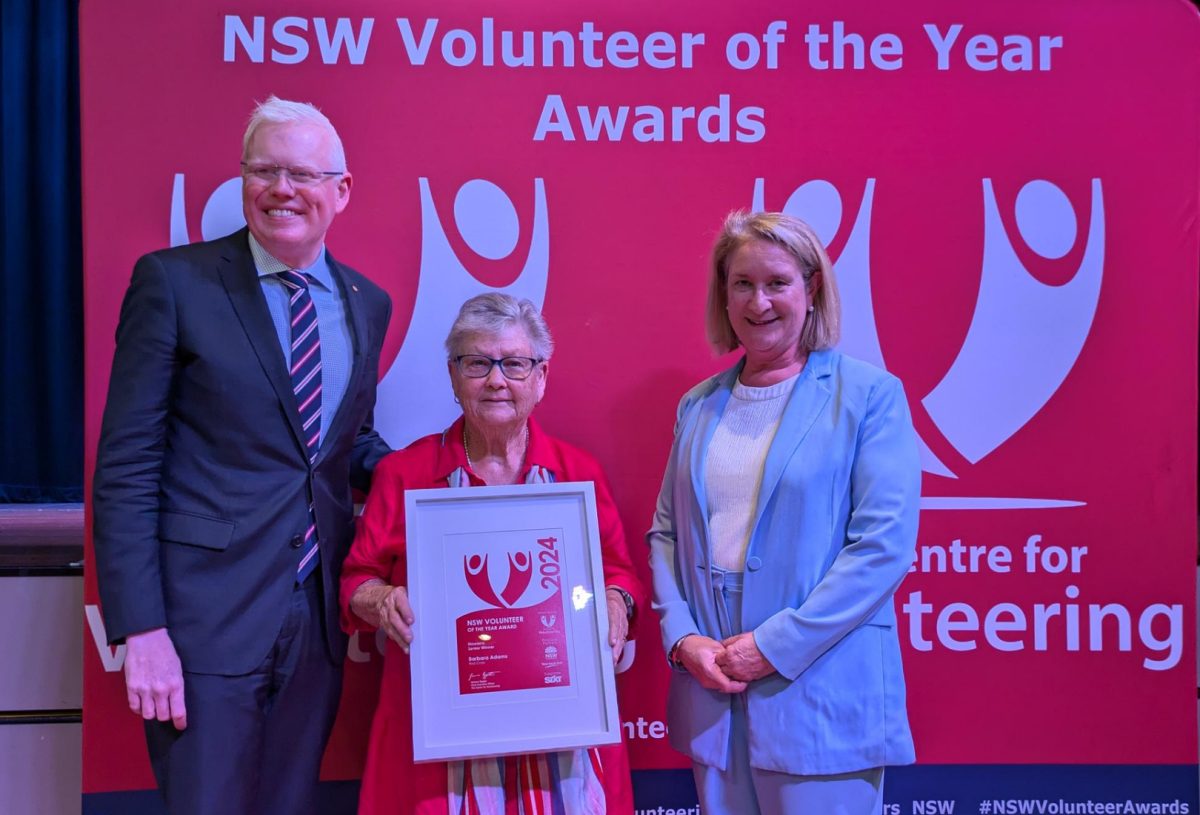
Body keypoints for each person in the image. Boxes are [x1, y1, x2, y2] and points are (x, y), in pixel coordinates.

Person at [92, 96, 392, 815]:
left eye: (301, 173)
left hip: (315, 621)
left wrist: (448, 481)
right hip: (200, 625)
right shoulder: (174, 283)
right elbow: (126, 468)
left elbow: (346, 448)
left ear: (340, 190)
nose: (282, 189)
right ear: (242, 180)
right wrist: (143, 629)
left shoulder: (367, 302)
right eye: (265, 170)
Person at [647, 211, 921, 814]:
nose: (759, 301)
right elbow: (665, 535)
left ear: (811, 288)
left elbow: (882, 548)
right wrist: (682, 637)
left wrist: (776, 644)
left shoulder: (870, 396)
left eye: (777, 282)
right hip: (713, 692)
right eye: (742, 283)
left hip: (820, 691)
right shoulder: (697, 406)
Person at [341, 292, 644, 815]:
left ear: (541, 376)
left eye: (514, 364)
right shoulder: (403, 476)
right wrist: (381, 599)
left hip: (560, 733)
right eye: (478, 363)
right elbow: (355, 582)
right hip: (437, 737)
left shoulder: (577, 475)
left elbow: (619, 572)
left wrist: (616, 604)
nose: (496, 380)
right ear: (454, 375)